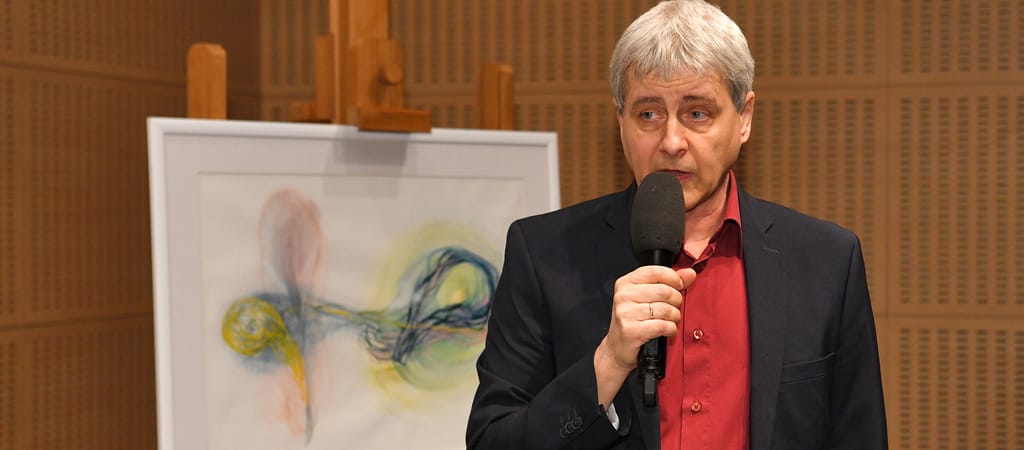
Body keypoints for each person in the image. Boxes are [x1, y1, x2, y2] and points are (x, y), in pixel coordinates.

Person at [465, 0, 888, 449]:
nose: (671, 142)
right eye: (648, 114)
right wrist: (608, 362)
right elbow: (493, 441)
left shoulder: (826, 262)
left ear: (744, 118)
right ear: (620, 122)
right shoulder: (544, 255)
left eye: (697, 113)